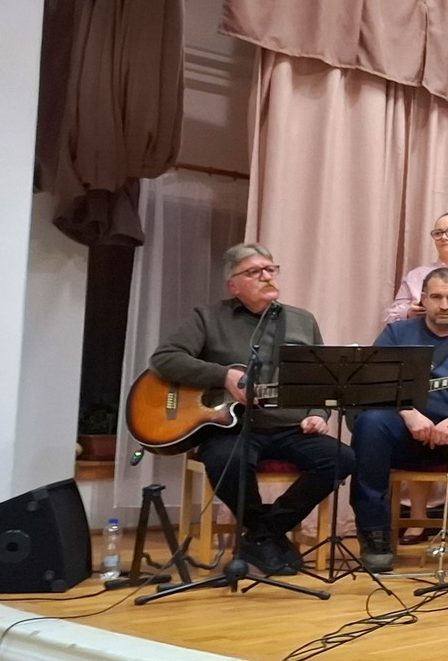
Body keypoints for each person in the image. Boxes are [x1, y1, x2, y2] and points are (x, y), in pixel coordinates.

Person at [148, 244, 354, 577]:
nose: (266, 276)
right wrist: (223, 376)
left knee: (341, 458)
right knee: (224, 461)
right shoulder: (208, 318)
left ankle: (262, 534)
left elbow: (322, 378)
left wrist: (319, 413)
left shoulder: (302, 320)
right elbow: (164, 359)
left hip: (290, 426)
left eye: (270, 269)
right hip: (230, 426)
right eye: (254, 272)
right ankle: (266, 536)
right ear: (233, 285)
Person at [348, 268, 448, 572]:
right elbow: (371, 385)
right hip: (404, 433)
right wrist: (408, 413)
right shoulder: (396, 335)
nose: (444, 305)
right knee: (370, 424)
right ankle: (375, 536)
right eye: (436, 297)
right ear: (423, 299)